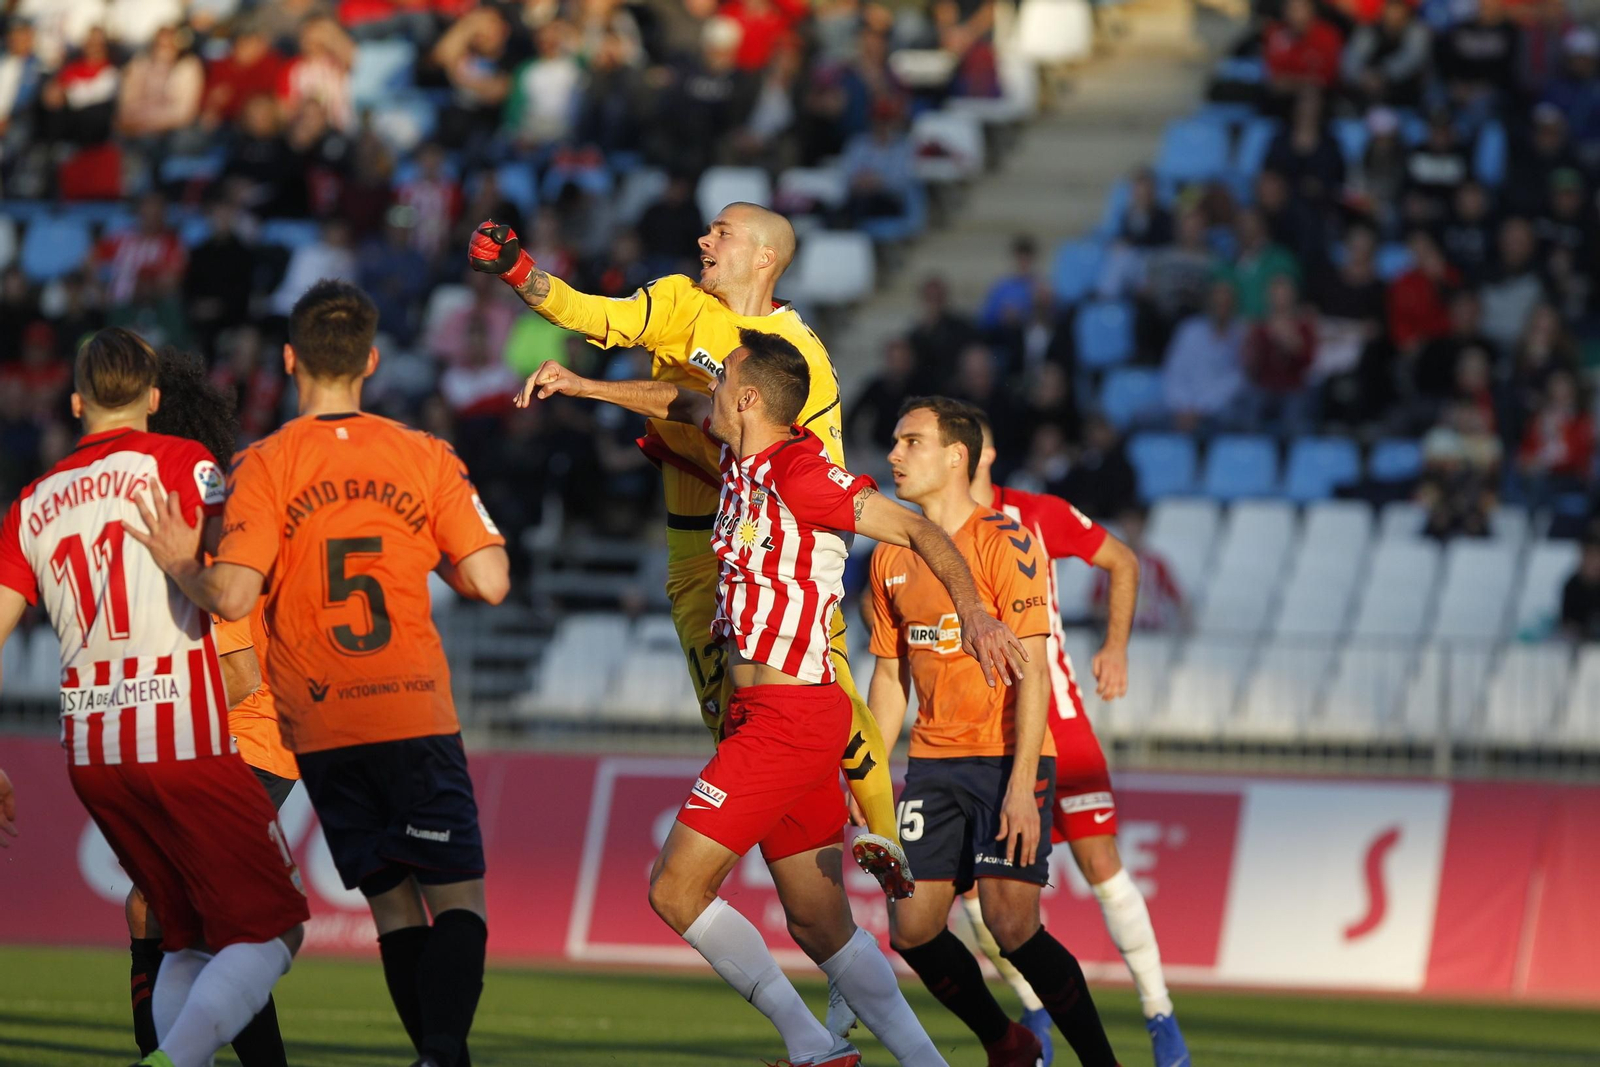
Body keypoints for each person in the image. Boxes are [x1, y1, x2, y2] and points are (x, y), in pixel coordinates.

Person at [518, 331, 1029, 1067]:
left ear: (750, 398)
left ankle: (815, 1049)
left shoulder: (799, 472)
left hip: (788, 719)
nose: (712, 393)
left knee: (674, 890)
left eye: (724, 383)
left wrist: (976, 611)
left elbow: (914, 526)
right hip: (772, 717)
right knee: (821, 925)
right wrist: (583, 384)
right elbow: (677, 399)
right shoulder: (736, 457)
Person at [470, 207, 910, 907]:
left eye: (722, 234)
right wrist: (520, 272)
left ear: (764, 258)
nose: (703, 240)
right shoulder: (680, 302)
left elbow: (819, 474)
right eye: (705, 228)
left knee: (827, 694)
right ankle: (800, 863)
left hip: (772, 549)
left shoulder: (800, 357)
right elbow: (593, 315)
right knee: (730, 712)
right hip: (693, 540)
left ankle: (886, 837)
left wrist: (812, 573)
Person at [127, 282, 511, 1067]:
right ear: (372, 359)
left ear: (290, 357)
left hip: (321, 726)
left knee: (391, 905)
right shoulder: (424, 454)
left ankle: (437, 1057)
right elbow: (491, 579)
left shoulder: (261, 465)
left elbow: (232, 595)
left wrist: (178, 563)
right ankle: (442, 1054)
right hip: (412, 707)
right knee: (456, 901)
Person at [0, 327, 308, 1067]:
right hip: (186, 739)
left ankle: (176, 1052)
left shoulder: (31, 504)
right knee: (275, 927)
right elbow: (228, 595)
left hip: (92, 752)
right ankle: (174, 1060)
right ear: (156, 397)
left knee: (181, 929)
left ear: (74, 401)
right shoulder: (187, 465)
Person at [865, 397, 1121, 1067]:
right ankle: (1006, 1041)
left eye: (910, 441)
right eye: (895, 441)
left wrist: (1020, 787)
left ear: (956, 456)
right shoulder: (889, 558)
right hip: (932, 764)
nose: (894, 454)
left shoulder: (1006, 540)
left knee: (1013, 927)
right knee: (912, 930)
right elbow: (890, 678)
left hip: (1007, 757)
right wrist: (866, 778)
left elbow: (1033, 670)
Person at [967, 416, 1190, 1067]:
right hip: (980, 738)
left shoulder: (1034, 514)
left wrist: (1116, 647)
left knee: (1103, 870)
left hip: (1060, 725)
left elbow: (1121, 557)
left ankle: (1160, 1016)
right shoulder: (929, 537)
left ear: (977, 453)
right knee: (980, 902)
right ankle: (1035, 1011)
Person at [116, 348, 302, 1066]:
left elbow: (241, 673)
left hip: (250, 740)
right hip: (230, 743)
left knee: (215, 917)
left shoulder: (206, 527)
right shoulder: (195, 516)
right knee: (157, 905)